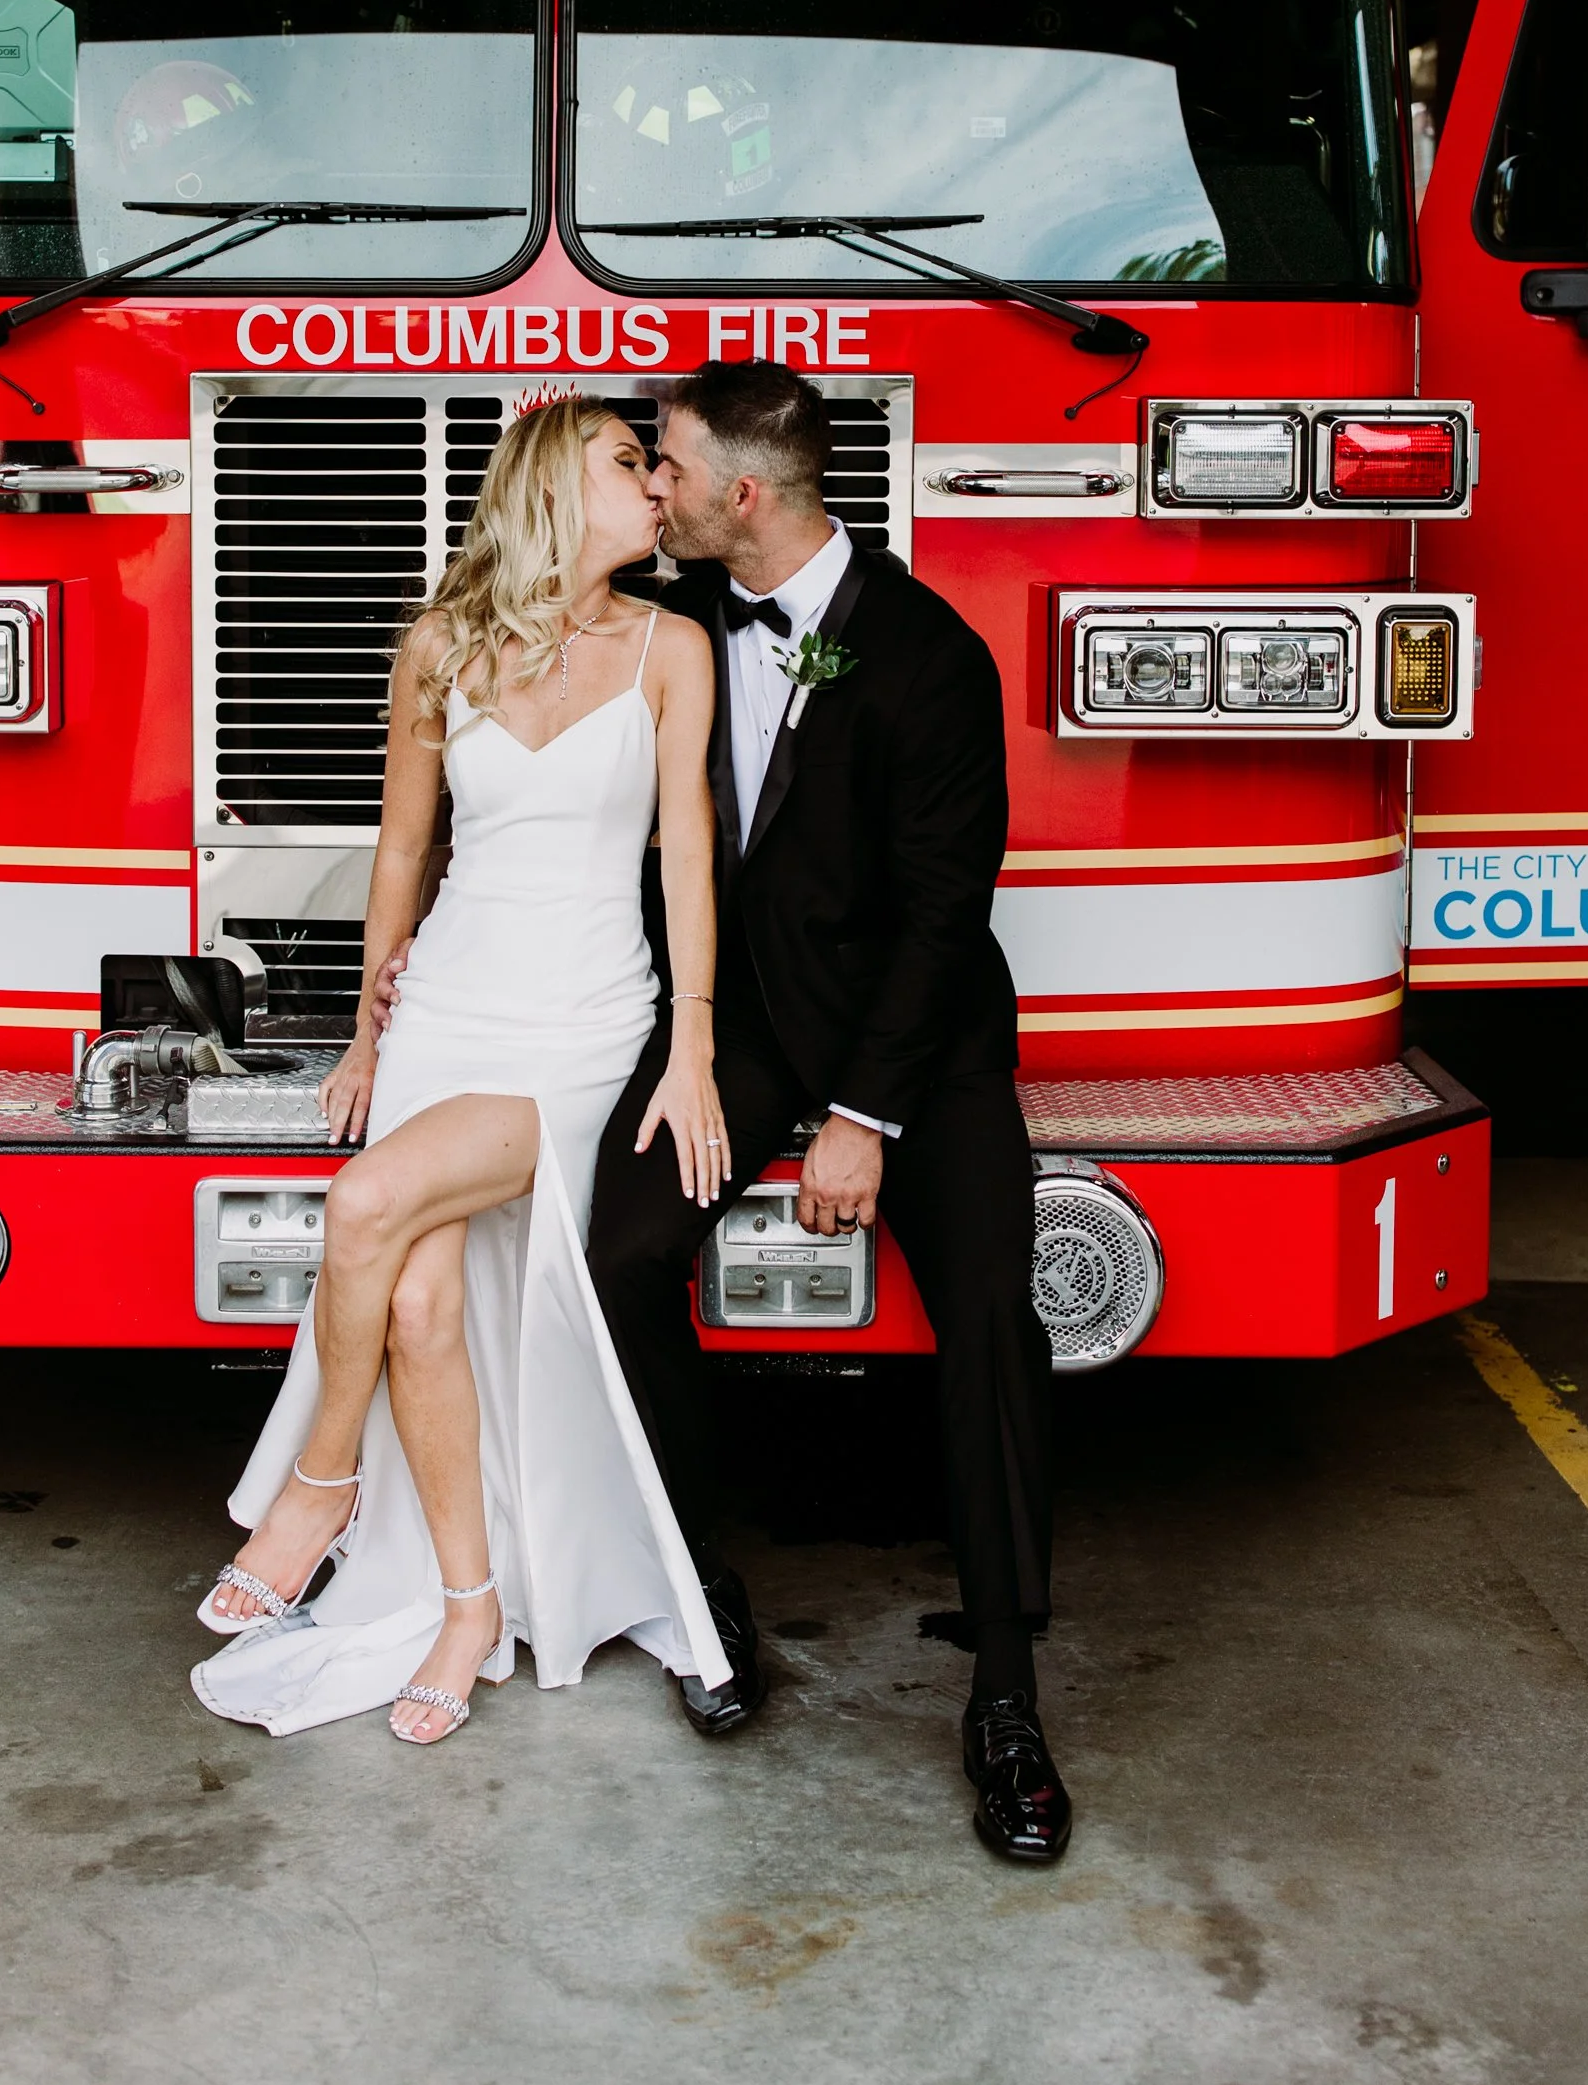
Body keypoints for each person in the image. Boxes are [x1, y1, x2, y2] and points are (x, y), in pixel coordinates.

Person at [585, 359, 1071, 1864]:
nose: (649, 486)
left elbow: (942, 918)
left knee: (992, 1299)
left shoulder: (929, 657)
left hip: (911, 1047)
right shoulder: (668, 629)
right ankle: (697, 1582)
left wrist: (864, 1114)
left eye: (663, 464)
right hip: (737, 1033)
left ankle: (1003, 1690)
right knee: (617, 1249)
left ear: (742, 491)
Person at [191, 396, 732, 1743]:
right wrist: (371, 1034)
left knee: (366, 1207)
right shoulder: (439, 646)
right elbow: (399, 852)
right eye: (629, 465)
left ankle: (318, 1487)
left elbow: (684, 858)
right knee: (421, 1309)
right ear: (557, 481)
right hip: (447, 1011)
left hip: (580, 1027)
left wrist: (697, 1045)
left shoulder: (671, 648)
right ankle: (467, 1600)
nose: (659, 490)